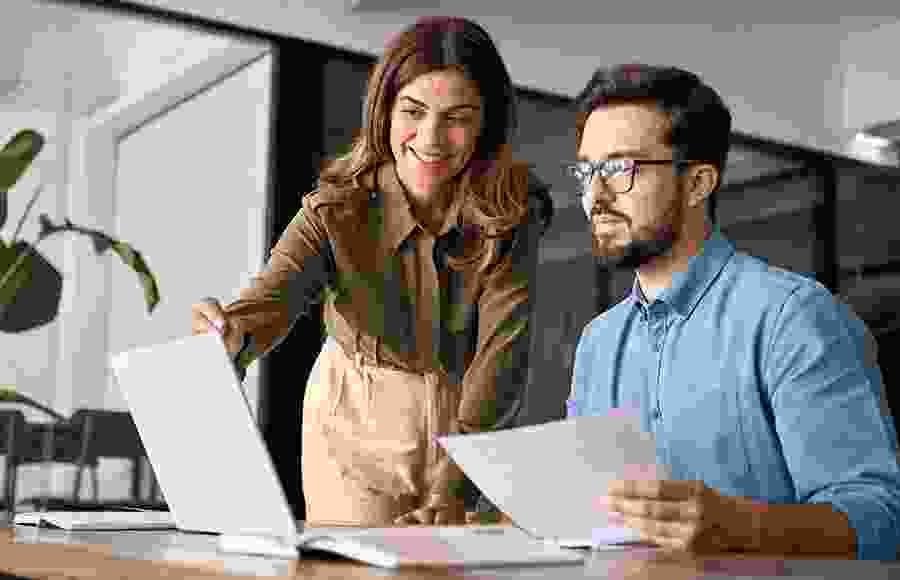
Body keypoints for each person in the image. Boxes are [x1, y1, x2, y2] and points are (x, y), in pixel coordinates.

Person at [190, 16, 550, 527]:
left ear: (486, 124)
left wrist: (456, 483)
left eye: (457, 118)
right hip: (357, 415)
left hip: (472, 415)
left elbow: (503, 352)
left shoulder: (512, 210)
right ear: (384, 112)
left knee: (461, 558)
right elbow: (272, 298)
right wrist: (232, 331)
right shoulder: (336, 208)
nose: (431, 138)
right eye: (413, 112)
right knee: (360, 561)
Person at [565, 63, 900, 559]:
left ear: (698, 183)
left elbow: (881, 519)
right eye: (586, 172)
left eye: (620, 169)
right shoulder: (597, 343)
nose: (595, 196)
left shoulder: (793, 319)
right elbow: (585, 512)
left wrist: (743, 528)